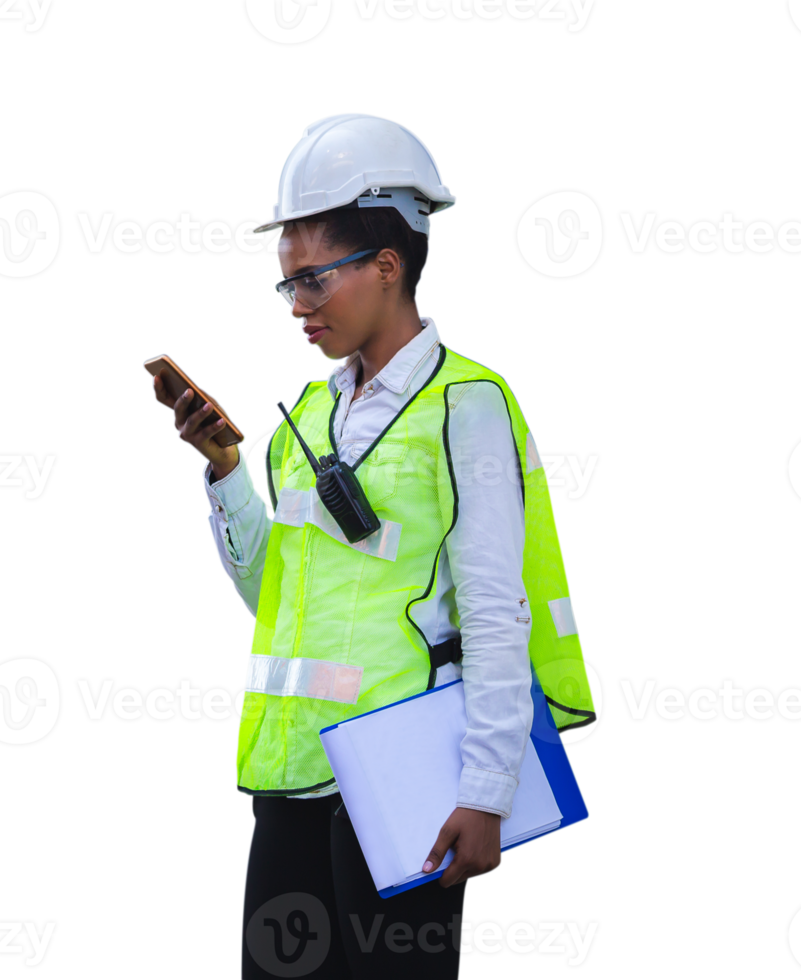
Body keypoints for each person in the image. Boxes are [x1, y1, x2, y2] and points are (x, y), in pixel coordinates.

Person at [150, 112, 596, 979]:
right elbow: (269, 595)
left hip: (405, 782)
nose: (297, 306)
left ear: (387, 267)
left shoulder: (465, 406)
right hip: (289, 778)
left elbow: (496, 610)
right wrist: (228, 470)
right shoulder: (312, 414)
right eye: (285, 285)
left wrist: (485, 792)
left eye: (312, 280)